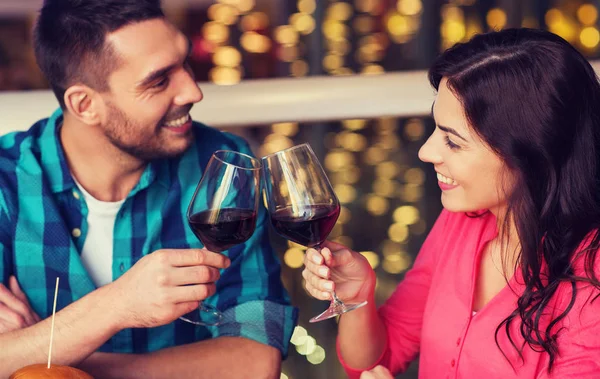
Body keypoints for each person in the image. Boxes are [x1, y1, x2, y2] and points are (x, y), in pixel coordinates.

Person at [0, 0, 296, 377]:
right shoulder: (6, 179)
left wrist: (46, 349)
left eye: (185, 63)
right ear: (85, 104)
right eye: (158, 81)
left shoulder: (224, 166)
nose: (192, 91)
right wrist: (117, 304)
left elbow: (256, 362)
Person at [303, 28, 600, 378]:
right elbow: (378, 359)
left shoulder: (591, 277)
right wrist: (357, 296)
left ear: (530, 155)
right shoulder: (461, 220)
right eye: (436, 129)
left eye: (454, 142)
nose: (426, 152)